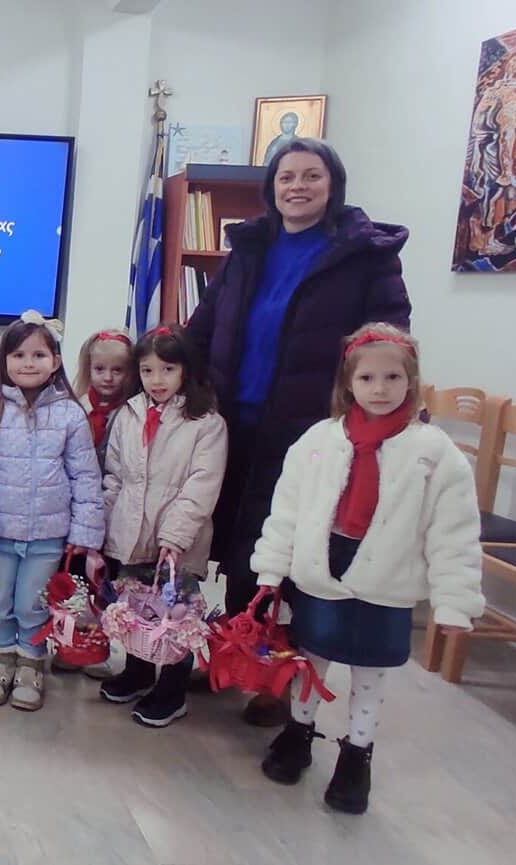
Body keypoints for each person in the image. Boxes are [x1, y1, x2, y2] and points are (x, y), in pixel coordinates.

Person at [183, 137, 410, 726]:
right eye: (286, 177)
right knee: (242, 549)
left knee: (295, 556)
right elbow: (202, 327)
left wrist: (377, 413)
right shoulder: (249, 247)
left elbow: (389, 342)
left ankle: (278, 682)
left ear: (333, 184)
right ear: (271, 187)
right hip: (235, 421)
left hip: (313, 434)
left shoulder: (364, 254)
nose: (298, 187)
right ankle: (237, 657)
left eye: (312, 175)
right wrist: (161, 371)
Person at [254, 323, 482, 815]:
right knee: (310, 660)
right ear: (348, 383)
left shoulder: (435, 453)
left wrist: (454, 601)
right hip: (323, 571)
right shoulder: (318, 441)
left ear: (411, 381)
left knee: (369, 674)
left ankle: (356, 756)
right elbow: (287, 511)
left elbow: (454, 533)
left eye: (392, 377)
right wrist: (270, 569)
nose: (380, 389)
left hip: (386, 582)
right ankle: (298, 732)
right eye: (367, 378)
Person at [0, 312, 104, 712]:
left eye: (39, 355)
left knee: (31, 603)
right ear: (4, 360)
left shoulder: (70, 414)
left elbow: (85, 476)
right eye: (18, 355)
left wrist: (84, 533)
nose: (28, 363)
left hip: (48, 535)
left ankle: (30, 665)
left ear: (56, 361)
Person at [95, 325, 227, 726]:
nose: (157, 380)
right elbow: (115, 475)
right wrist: (107, 524)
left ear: (185, 370)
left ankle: (171, 691)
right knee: (136, 607)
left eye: (168, 369)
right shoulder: (129, 413)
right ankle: (137, 672)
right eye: (148, 370)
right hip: (131, 534)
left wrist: (175, 535)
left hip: (177, 542)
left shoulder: (206, 423)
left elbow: (202, 485)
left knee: (175, 615)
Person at [55, 327, 137, 678]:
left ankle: (99, 648)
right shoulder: (74, 407)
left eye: (118, 370)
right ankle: (68, 644)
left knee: (105, 584)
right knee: (72, 581)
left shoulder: (133, 414)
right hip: (76, 513)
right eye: (100, 369)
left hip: (115, 513)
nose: (108, 377)